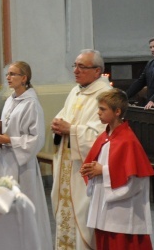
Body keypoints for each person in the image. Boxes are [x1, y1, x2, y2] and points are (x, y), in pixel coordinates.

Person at [51, 49, 111, 250]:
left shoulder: (105, 95)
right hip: (68, 163)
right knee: (65, 214)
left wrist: (72, 130)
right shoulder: (75, 91)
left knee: (84, 216)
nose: (76, 71)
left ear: (97, 71)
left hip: (85, 170)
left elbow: (102, 134)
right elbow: (64, 117)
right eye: (75, 65)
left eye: (81, 67)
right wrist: (58, 126)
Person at [80, 89, 154, 250]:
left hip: (122, 209)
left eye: (103, 109)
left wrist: (103, 171)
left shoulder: (128, 140)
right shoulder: (105, 136)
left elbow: (136, 179)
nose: (98, 113)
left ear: (117, 111)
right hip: (103, 204)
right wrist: (91, 169)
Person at [0, 61, 52, 250]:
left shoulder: (31, 104)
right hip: (6, 159)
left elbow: (36, 139)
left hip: (22, 165)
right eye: (7, 74)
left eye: (13, 74)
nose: (8, 78)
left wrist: (11, 141)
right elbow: (7, 126)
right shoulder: (10, 99)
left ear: (24, 78)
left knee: (24, 204)